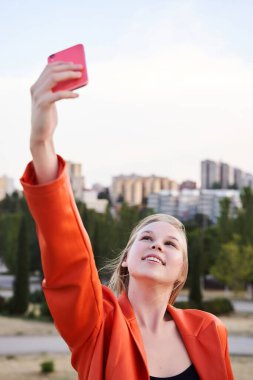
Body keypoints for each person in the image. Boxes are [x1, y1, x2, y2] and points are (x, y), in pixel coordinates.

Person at [20, 62, 234, 380]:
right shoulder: (98, 325)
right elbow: (69, 263)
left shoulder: (209, 330)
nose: (157, 244)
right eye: (146, 238)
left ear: (181, 272)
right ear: (125, 261)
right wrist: (42, 143)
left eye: (170, 243)